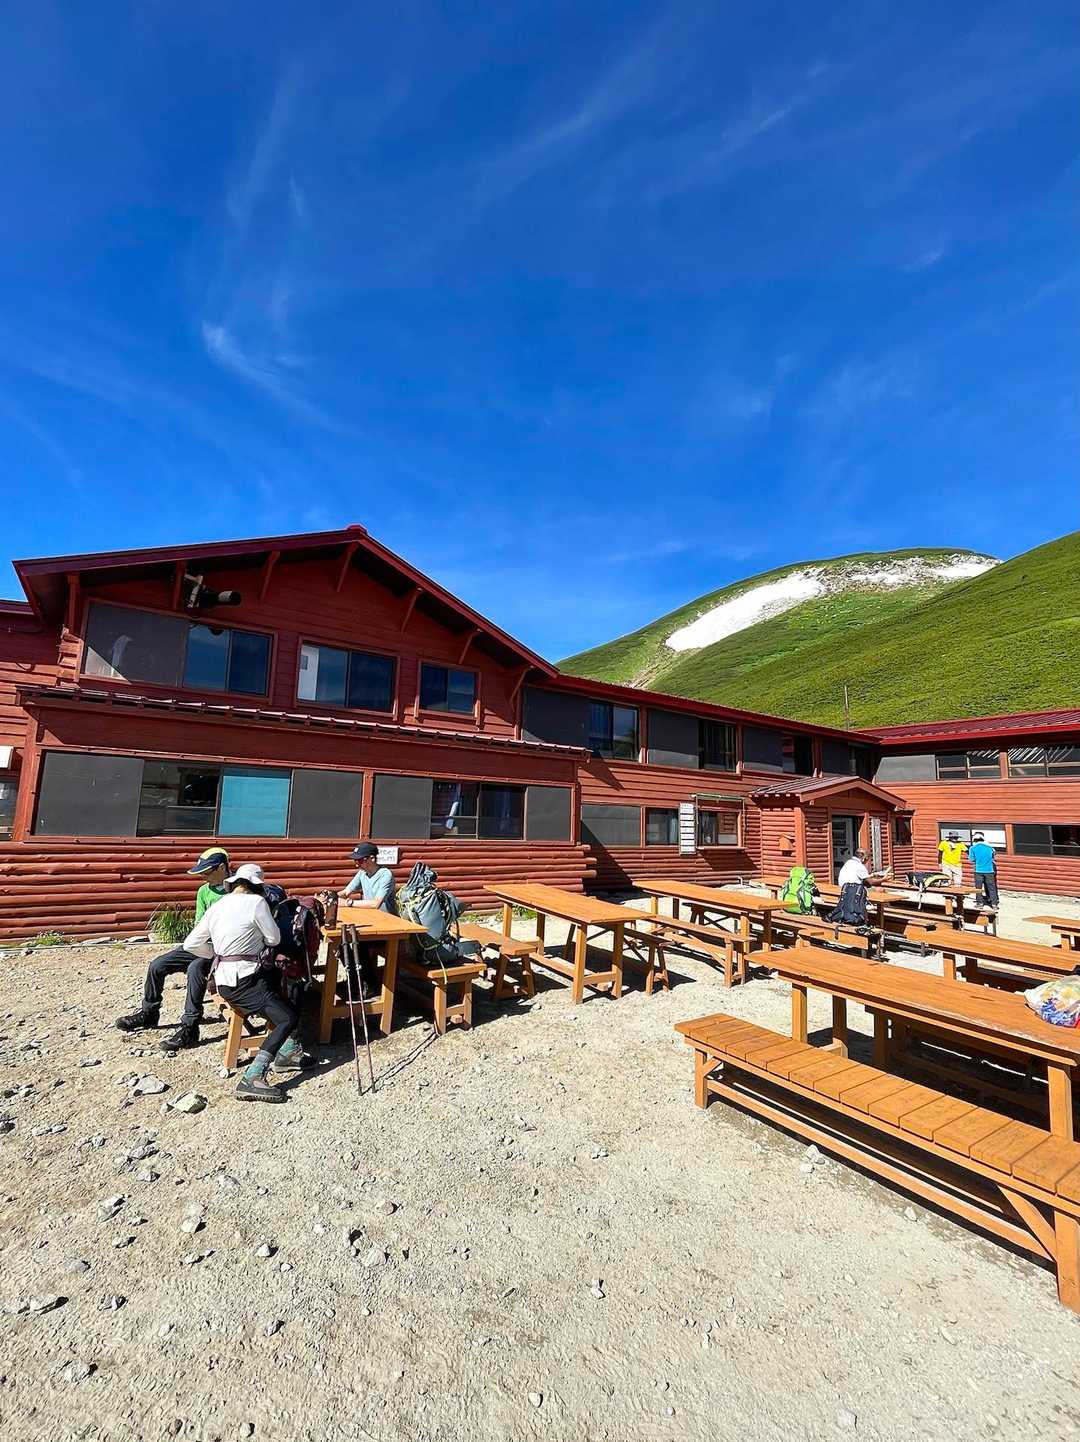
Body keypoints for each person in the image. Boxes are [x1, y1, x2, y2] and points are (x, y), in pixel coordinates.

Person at [183, 862, 299, 1103]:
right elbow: (274, 938)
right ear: (257, 886)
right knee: (287, 1017)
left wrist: (218, 955)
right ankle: (253, 1076)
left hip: (224, 979)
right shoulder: (257, 903)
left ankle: (287, 1051)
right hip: (244, 982)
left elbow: (190, 944)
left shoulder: (218, 906)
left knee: (277, 989)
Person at [115, 848, 231, 1052]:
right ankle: (149, 1013)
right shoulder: (204, 891)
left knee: (196, 969)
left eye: (206, 872)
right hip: (202, 942)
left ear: (221, 868)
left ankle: (190, 1027)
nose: (202, 877)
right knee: (157, 965)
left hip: (224, 949)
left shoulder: (237, 890)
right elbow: (199, 924)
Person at [341, 842, 397, 998]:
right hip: (371, 923)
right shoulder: (362, 873)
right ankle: (355, 981)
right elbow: (345, 892)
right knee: (341, 944)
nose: (357, 864)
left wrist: (348, 903)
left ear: (372, 858)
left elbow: (375, 903)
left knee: (358, 944)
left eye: (360, 860)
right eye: (355, 860)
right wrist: (329, 898)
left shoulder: (385, 875)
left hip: (388, 928)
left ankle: (369, 984)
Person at [967, 831, 999, 911]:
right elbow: (994, 858)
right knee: (991, 887)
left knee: (978, 888)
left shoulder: (972, 848)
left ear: (974, 840)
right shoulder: (990, 848)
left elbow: (971, 859)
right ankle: (994, 904)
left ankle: (979, 903)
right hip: (989, 870)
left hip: (978, 870)